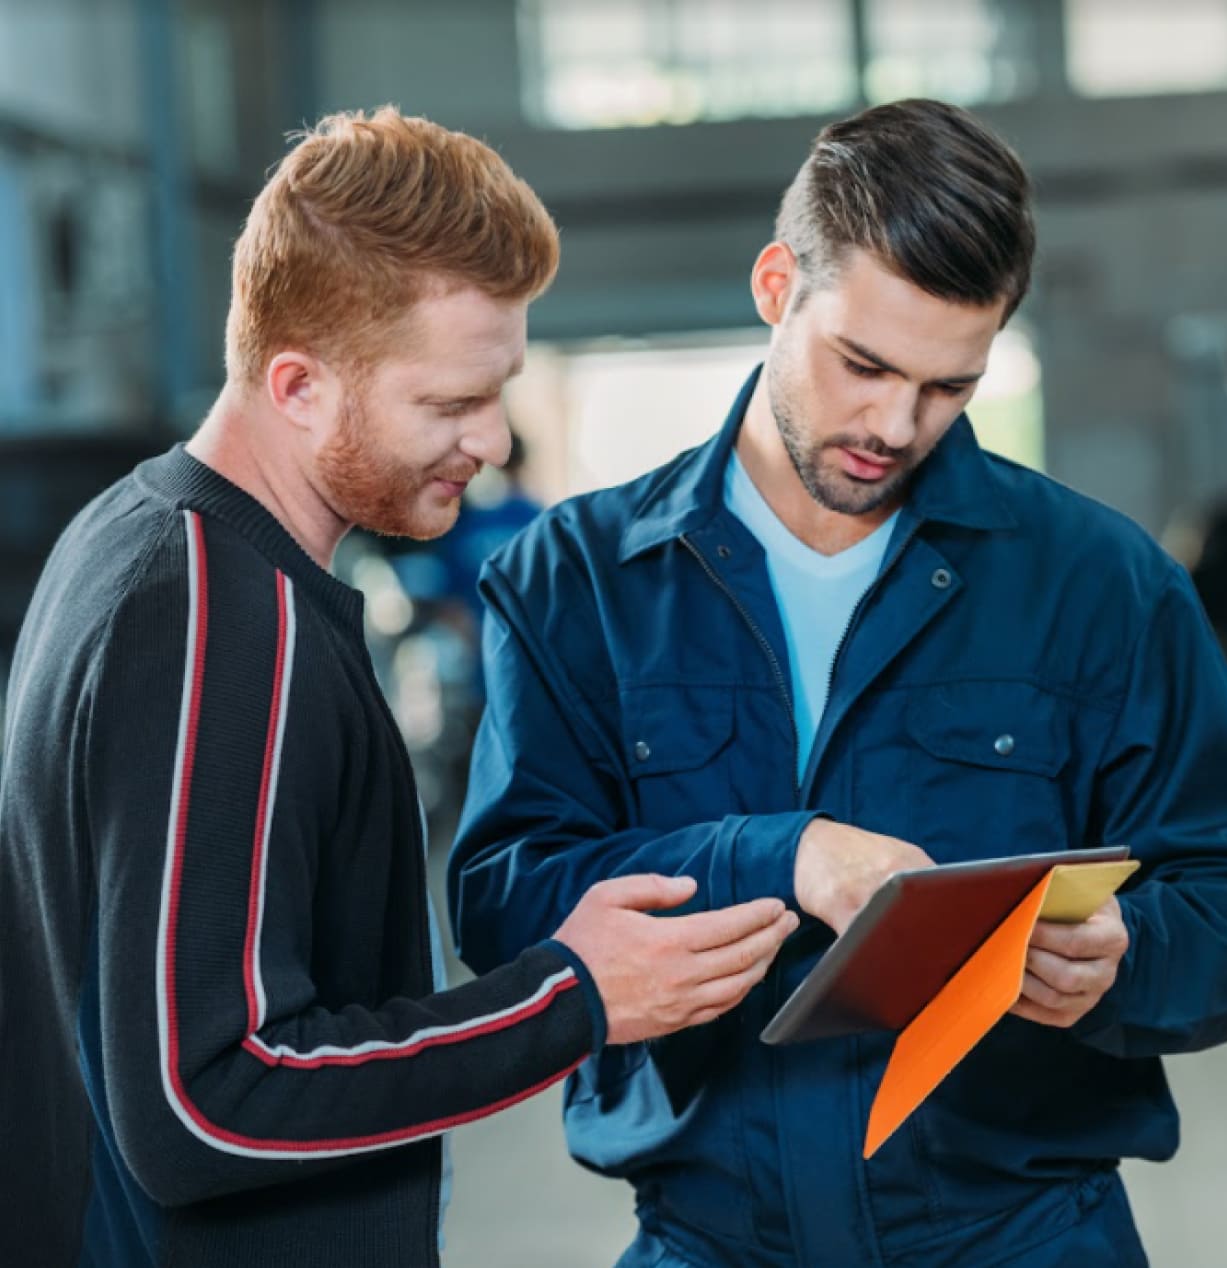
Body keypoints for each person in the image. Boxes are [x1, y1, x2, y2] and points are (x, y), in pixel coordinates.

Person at [448, 98, 1227, 1266]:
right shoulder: (574, 585)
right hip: (712, 1237)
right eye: (862, 363)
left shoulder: (1100, 582)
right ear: (775, 286)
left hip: (1021, 1235)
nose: (894, 423)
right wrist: (777, 855)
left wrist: (1128, 953)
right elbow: (508, 899)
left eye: (949, 386)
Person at [0, 107, 796, 1268]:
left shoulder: (139, 541)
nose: (489, 438)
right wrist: (571, 996)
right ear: (298, 384)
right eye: (448, 403)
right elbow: (202, 1099)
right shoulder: (213, 616)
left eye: (500, 389)